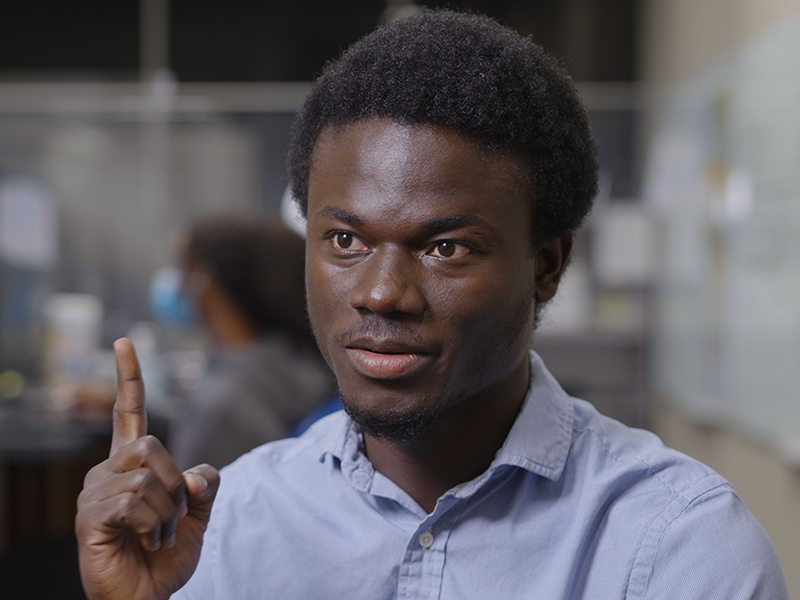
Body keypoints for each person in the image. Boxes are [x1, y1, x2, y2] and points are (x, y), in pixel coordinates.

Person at [75, 10, 790, 600]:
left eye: (446, 248)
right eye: (345, 239)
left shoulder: (679, 547)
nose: (382, 292)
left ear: (547, 265)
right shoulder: (227, 528)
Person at [163, 216, 335, 469]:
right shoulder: (297, 361)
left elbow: (187, 499)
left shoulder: (220, 405)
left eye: (183, 271)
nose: (177, 286)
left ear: (206, 282)